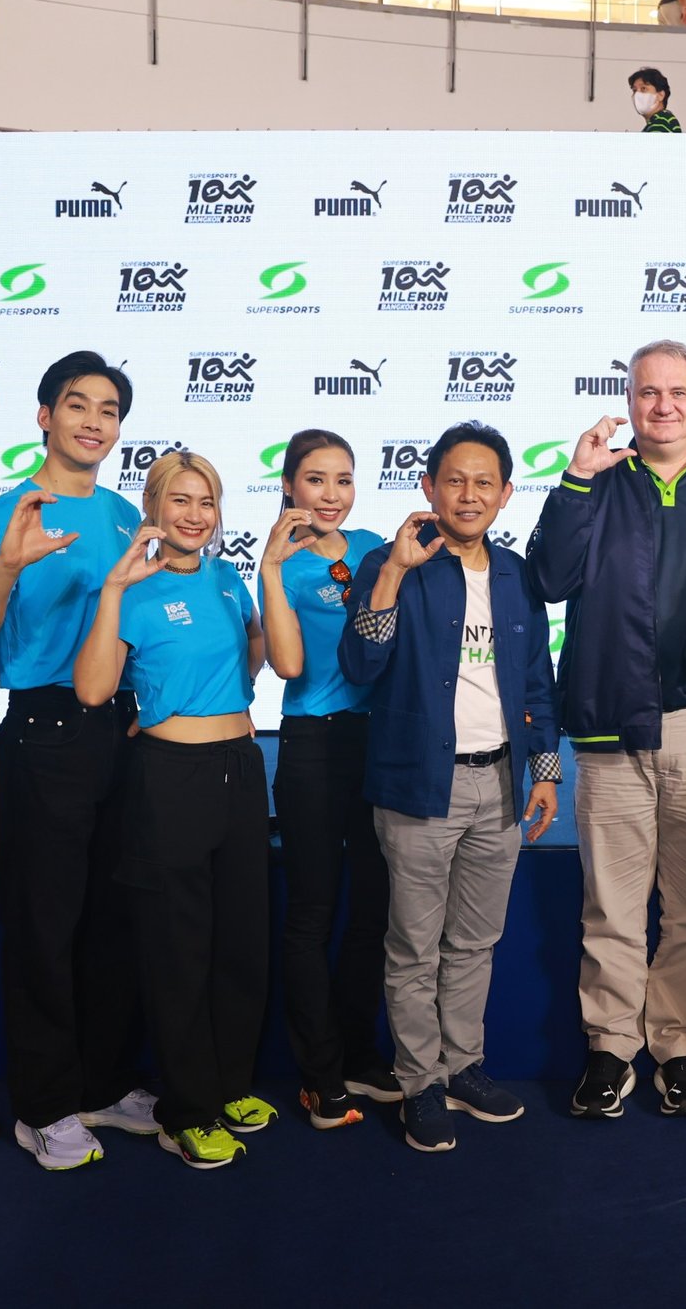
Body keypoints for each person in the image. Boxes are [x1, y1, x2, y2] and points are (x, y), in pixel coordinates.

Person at [525, 340, 686, 1121]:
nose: (663, 405)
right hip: (609, 724)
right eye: (648, 392)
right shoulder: (595, 479)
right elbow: (548, 578)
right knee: (612, 904)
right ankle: (609, 1048)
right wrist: (575, 480)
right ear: (628, 400)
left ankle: (679, 1046)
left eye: (677, 391)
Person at [0, 351, 157, 1172]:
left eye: (109, 409)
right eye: (77, 404)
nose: (94, 421)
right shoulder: (6, 512)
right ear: (44, 415)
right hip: (45, 731)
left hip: (124, 732)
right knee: (44, 925)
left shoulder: (124, 514)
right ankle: (41, 1106)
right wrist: (7, 564)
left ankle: (101, 1083)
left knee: (113, 921)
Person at [341, 422, 560, 1154]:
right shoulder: (391, 560)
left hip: (499, 781)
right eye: (454, 480)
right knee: (413, 946)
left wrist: (545, 772)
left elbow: (538, 683)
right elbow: (360, 665)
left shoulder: (517, 576)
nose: (469, 495)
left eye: (484, 482)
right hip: (418, 784)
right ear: (428, 486)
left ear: (505, 493)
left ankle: (463, 1067)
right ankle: (420, 1083)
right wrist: (393, 575)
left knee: (475, 941)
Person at [75, 451, 274, 1170]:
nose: (194, 515)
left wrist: (205, 692)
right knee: (180, 948)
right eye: (180, 500)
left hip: (241, 769)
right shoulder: (132, 587)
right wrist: (111, 592)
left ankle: (228, 1086)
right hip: (169, 779)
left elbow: (253, 651)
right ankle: (185, 1111)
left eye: (206, 502)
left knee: (241, 940)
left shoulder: (227, 579)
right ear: (153, 508)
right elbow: (93, 689)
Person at [258, 429, 398, 1129]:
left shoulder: (375, 547)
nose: (332, 494)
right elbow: (283, 664)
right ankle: (319, 1074)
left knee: (374, 910)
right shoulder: (277, 565)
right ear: (289, 486)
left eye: (343, 479)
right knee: (313, 912)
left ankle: (359, 1054)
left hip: (380, 744)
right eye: (316, 480)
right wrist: (268, 570)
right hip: (313, 743)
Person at [629, 67, 682, 134]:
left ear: (660, 95)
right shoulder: (656, 122)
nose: (637, 94)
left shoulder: (663, 119)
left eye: (643, 88)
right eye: (634, 90)